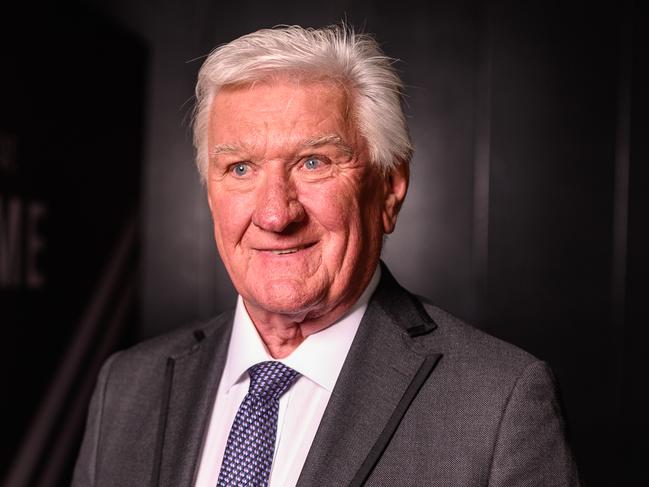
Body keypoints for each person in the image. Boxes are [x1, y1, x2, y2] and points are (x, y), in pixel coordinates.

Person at [72, 24, 580, 486]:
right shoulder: (127, 385)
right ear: (210, 193)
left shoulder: (497, 402)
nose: (275, 214)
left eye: (314, 162)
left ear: (389, 189)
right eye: (241, 169)